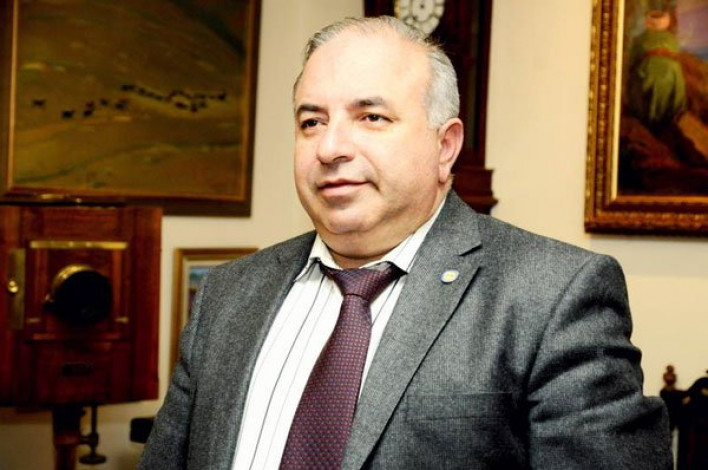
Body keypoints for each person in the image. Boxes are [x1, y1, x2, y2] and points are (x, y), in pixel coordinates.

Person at [139, 16, 672, 469]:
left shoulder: (551, 296)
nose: (330, 147)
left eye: (371, 117)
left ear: (446, 146)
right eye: (311, 121)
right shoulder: (228, 296)